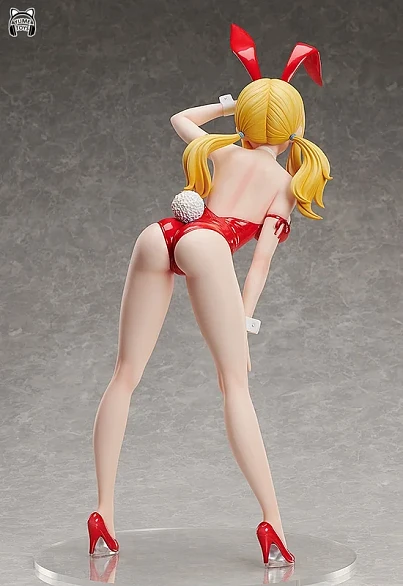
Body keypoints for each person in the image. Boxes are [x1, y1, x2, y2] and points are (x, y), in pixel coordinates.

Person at [86, 24, 332, 567]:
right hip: (208, 244)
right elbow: (260, 264)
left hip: (164, 231)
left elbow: (181, 119)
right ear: (294, 130)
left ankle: (101, 510)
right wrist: (242, 321)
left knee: (124, 374)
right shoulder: (285, 184)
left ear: (243, 122)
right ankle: (272, 521)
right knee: (234, 384)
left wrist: (226, 109)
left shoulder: (219, 149)